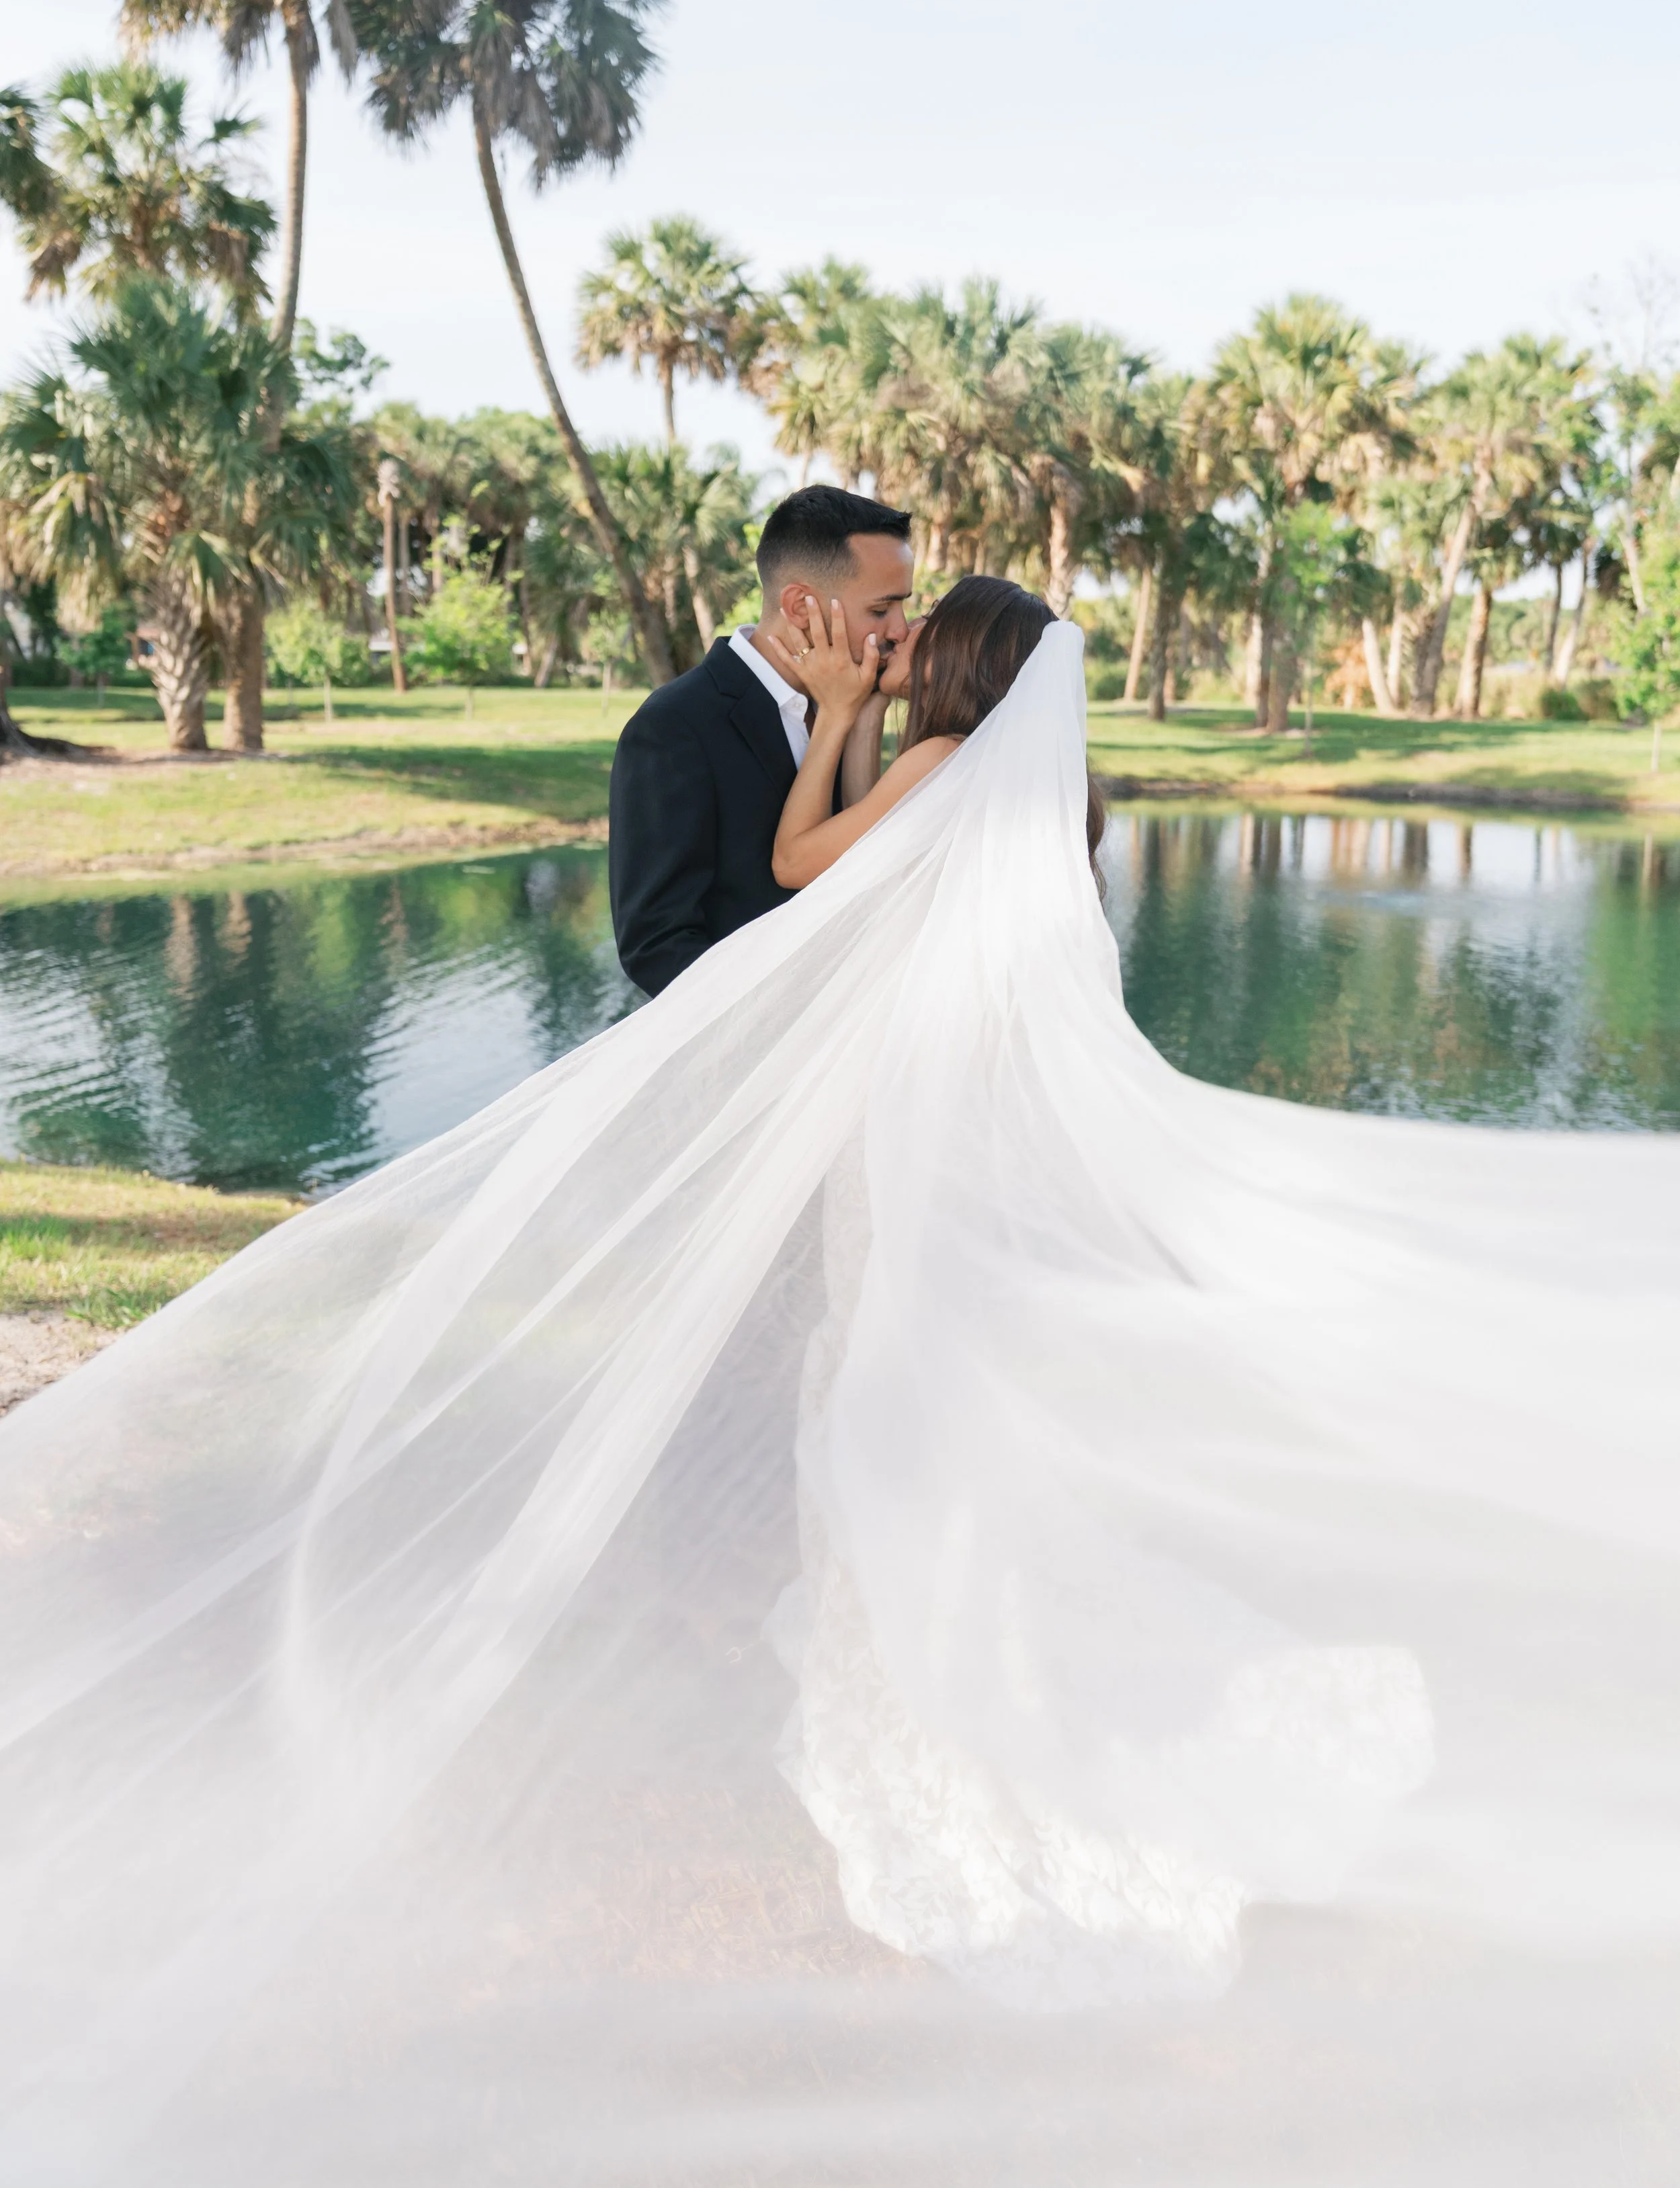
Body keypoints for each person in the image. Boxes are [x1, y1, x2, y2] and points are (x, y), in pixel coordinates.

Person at [1, 585, 1679, 2188]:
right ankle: (971, 1624)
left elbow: (810, 865)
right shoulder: (1051, 812)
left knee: (889, 1400)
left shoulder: (937, 770)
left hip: (911, 1153)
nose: (893, 651)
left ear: (950, 680)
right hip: (985, 1157)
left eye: (913, 646)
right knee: (951, 1404)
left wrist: (844, 726)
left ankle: (936, 1653)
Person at [607, 483, 914, 995]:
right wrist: (782, 1031)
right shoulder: (675, 726)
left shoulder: (848, 705)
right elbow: (656, 944)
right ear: (799, 606)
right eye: (881, 610)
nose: (900, 630)